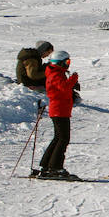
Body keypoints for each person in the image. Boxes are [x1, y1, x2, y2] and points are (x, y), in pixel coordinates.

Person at [34, 51, 80, 179]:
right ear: (60, 62)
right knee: (63, 139)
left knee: (58, 138)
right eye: (67, 62)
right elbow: (64, 88)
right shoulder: (55, 74)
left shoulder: (56, 73)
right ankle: (55, 167)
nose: (68, 65)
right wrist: (73, 79)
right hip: (59, 110)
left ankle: (47, 165)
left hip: (60, 110)